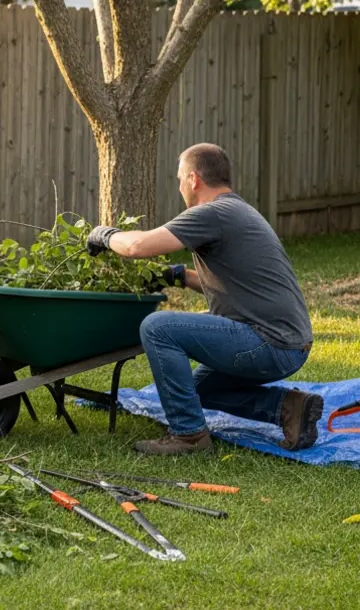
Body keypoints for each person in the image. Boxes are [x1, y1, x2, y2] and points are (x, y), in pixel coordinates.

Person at [86, 143, 321, 456]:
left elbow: (137, 246)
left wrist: (104, 234)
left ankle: (188, 436)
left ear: (194, 179)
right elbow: (230, 285)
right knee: (193, 391)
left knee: (158, 327)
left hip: (269, 343)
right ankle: (288, 408)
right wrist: (179, 276)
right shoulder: (237, 210)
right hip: (287, 344)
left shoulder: (212, 213)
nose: (180, 186)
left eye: (180, 178)